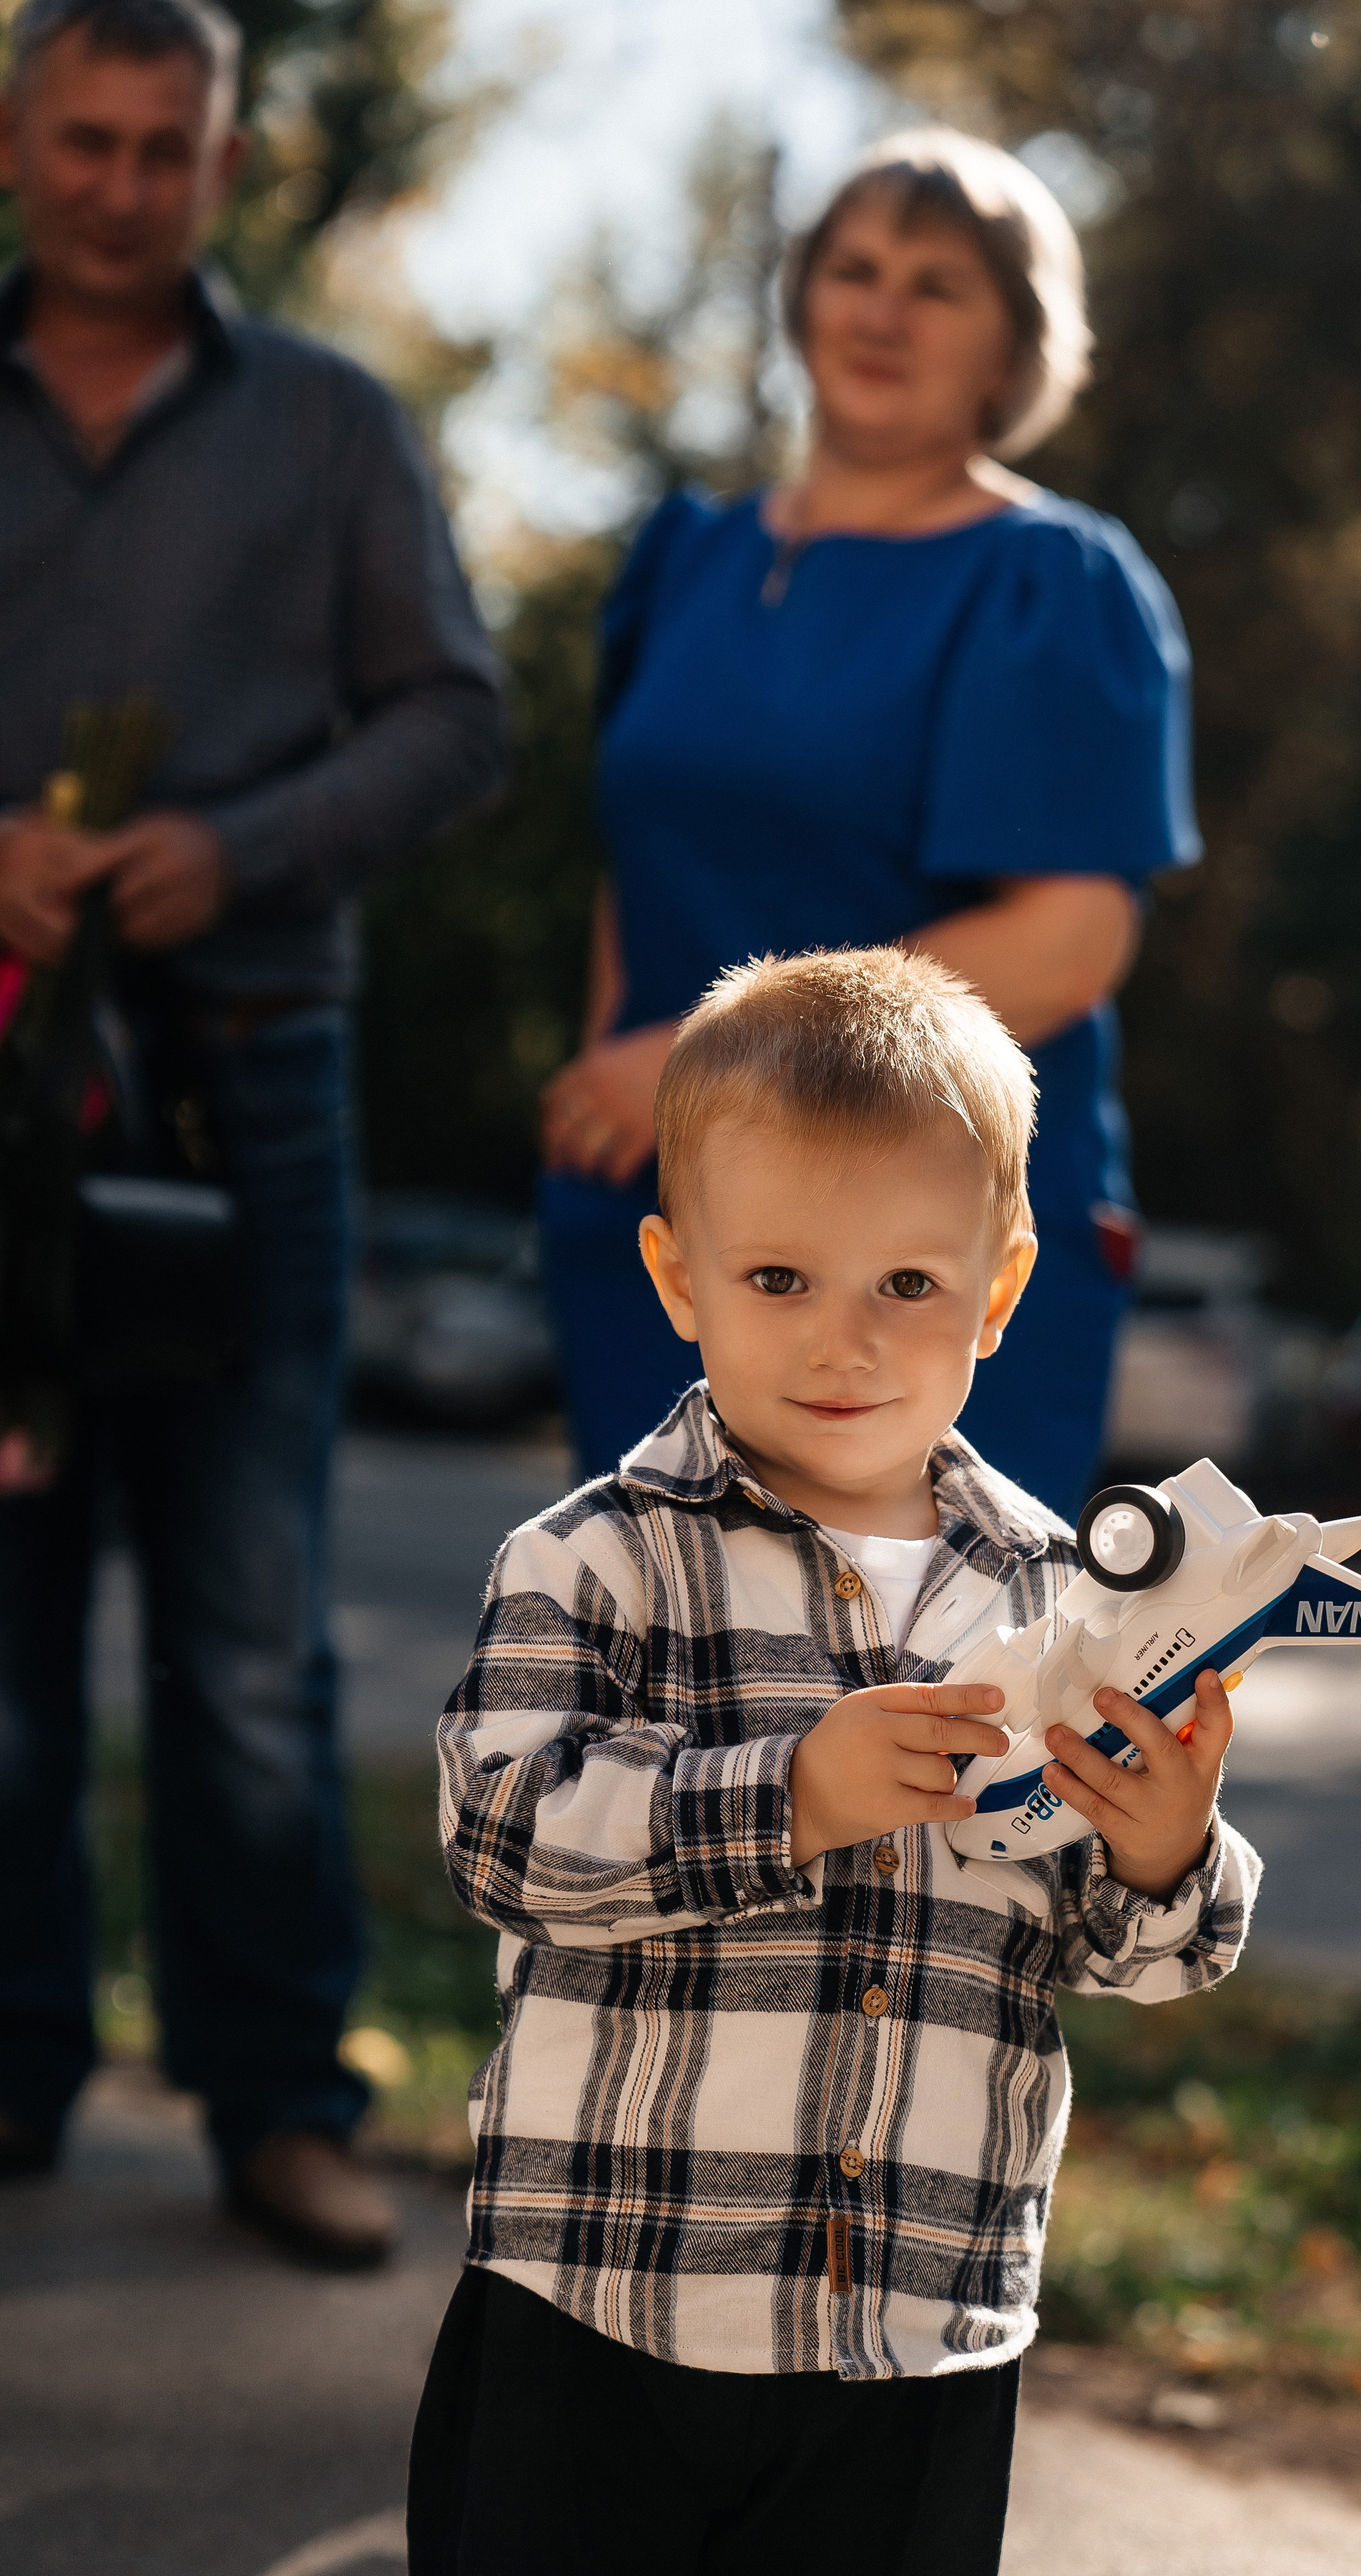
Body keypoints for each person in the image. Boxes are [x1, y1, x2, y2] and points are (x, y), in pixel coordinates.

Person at [409, 946, 1258, 2576]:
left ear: (1002, 1290)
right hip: (604, 2300)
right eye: (779, 1277)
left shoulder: (1069, 1598)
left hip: (916, 2336)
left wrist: (1169, 1855)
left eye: (906, 1284)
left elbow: (1140, 1959)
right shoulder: (596, 1558)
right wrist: (785, 1793)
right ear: (676, 1276)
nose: (843, 1336)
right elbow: (499, 1831)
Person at [0, 0, 506, 2263]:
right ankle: (13, 2093)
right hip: (4, 1083)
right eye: (83, 140)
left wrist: (249, 844)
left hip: (249, 1092)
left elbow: (458, 721)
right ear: (19, 139)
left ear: (224, 161)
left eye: (164, 148)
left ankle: (281, 2102)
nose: (121, 183)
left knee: (242, 1629)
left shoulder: (327, 426)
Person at [538, 127, 1198, 1522]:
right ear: (800, 299)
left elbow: (1069, 936)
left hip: (921, 1252)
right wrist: (614, 1079)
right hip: (670, 1219)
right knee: (675, 1694)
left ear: (1011, 343)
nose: (881, 309)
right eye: (853, 268)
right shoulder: (686, 558)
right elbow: (639, 853)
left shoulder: (1049, 582)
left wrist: (702, 1061)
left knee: (920, 1711)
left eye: (936, 284)